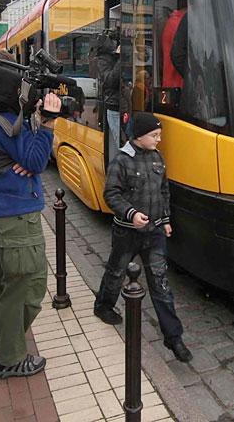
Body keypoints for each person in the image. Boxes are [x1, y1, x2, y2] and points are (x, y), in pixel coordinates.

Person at [0, 61, 62, 379]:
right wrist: (47, 123)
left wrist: (24, 150)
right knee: (26, 285)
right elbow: (36, 161)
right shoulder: (4, 118)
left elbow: (24, 156)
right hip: (15, 213)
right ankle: (8, 358)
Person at [93, 112, 192, 363]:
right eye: (154, 135)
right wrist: (131, 213)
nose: (159, 139)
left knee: (160, 283)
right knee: (117, 271)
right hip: (127, 232)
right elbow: (111, 194)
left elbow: (164, 191)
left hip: (155, 232)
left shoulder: (157, 157)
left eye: (159, 135)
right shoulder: (121, 161)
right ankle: (104, 305)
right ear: (138, 136)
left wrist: (166, 220)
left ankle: (173, 337)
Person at [96, 32, 121, 161]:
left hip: (126, 104)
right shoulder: (103, 60)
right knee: (122, 145)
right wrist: (120, 58)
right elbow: (110, 81)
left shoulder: (111, 57)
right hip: (115, 106)